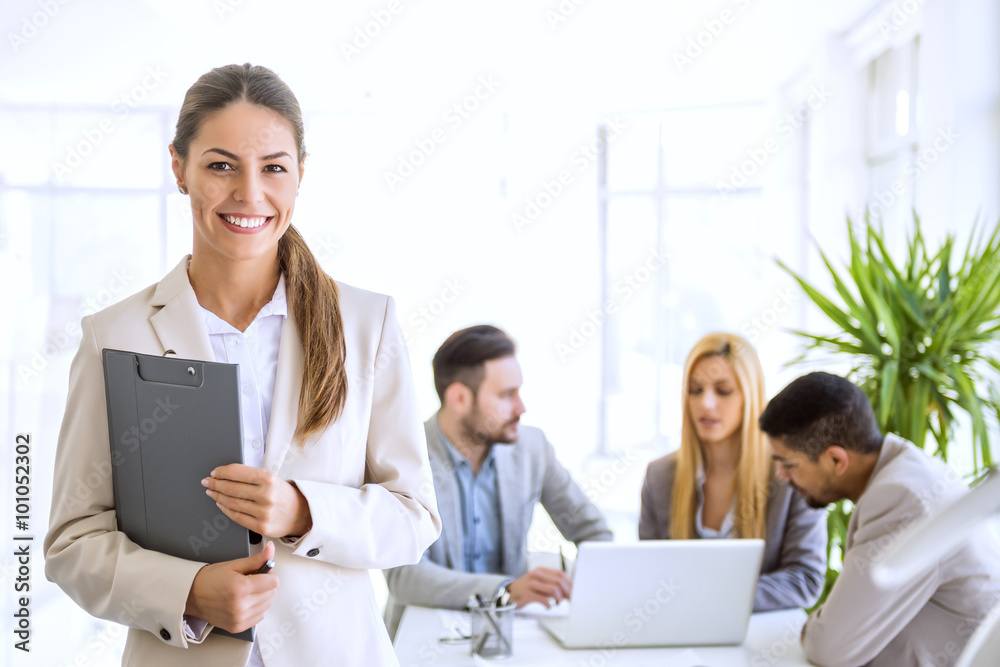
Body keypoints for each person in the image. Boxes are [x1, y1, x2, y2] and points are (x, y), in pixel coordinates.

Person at [43, 63, 441, 667]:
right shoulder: (114, 337)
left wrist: (304, 511)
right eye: (221, 165)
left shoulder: (368, 324)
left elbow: (415, 517)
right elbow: (72, 544)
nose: (250, 194)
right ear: (179, 168)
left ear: (300, 175)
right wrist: (189, 593)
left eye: (273, 168)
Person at [383, 325, 613, 636]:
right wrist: (504, 589)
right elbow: (403, 576)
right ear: (460, 397)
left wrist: (588, 590)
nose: (521, 408)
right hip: (424, 637)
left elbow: (595, 534)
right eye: (507, 395)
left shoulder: (533, 449)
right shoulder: (405, 457)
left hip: (509, 639)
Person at [759, 371, 1000, 666]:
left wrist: (818, 625)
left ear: (836, 460)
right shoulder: (904, 470)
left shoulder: (902, 499)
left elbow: (828, 649)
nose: (782, 476)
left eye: (789, 464)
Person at [638, 332, 826, 611]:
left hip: (758, 641)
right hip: (678, 639)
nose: (706, 403)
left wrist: (716, 596)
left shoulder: (792, 475)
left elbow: (805, 579)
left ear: (750, 397)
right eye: (695, 390)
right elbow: (646, 574)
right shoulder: (660, 476)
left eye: (723, 390)